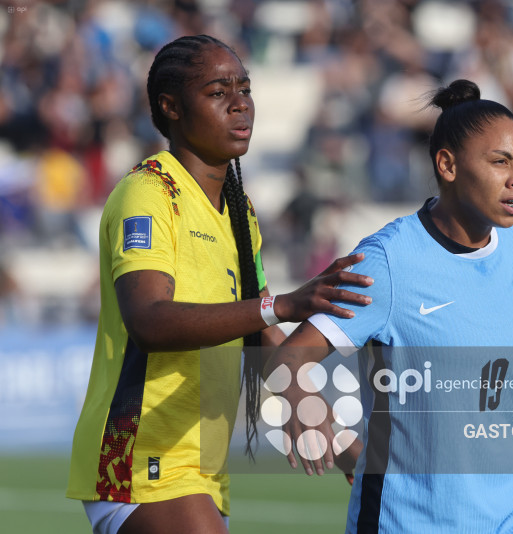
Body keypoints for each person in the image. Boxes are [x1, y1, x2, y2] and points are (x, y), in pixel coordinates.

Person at [267, 79, 513, 533]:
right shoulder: (388, 260)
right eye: (500, 162)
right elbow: (288, 359)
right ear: (447, 165)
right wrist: (306, 409)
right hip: (408, 521)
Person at [66, 34, 372, 534]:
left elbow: (257, 331)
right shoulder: (147, 192)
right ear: (171, 107)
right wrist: (282, 304)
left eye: (245, 89)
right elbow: (149, 322)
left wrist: (343, 442)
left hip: (201, 464)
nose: (239, 104)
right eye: (217, 92)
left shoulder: (239, 210)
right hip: (140, 457)